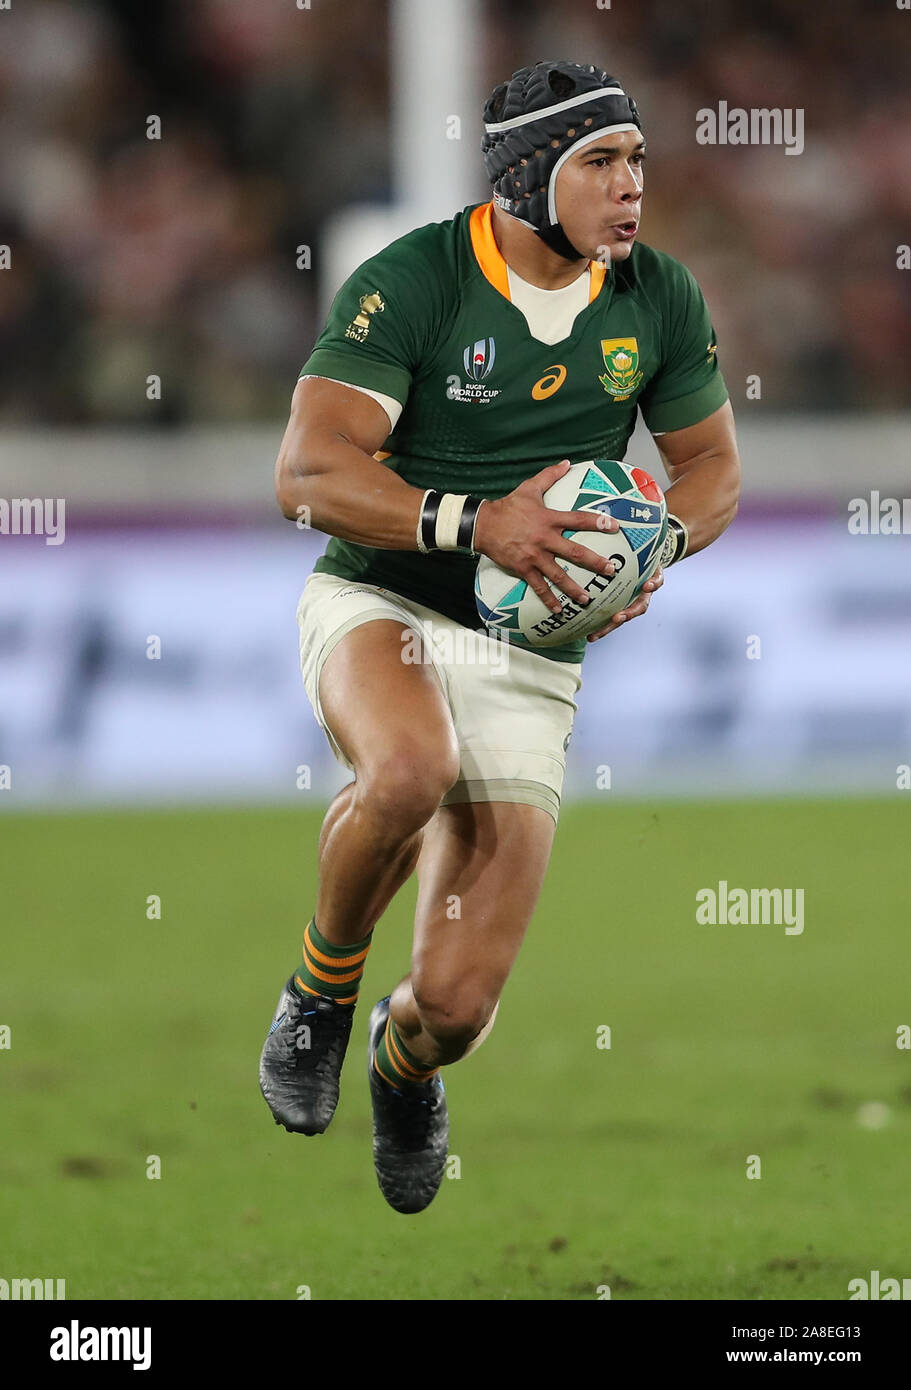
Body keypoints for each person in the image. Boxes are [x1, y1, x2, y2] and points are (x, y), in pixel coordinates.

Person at [259, 60, 741, 1214]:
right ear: (528, 176)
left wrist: (656, 547)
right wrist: (479, 523)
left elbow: (712, 468)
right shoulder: (416, 279)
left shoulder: (656, 297)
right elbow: (307, 473)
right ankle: (321, 993)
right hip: (385, 596)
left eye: (636, 162)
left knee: (459, 1008)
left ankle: (398, 1059)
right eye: (600, 163)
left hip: (529, 651)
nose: (631, 188)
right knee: (409, 767)